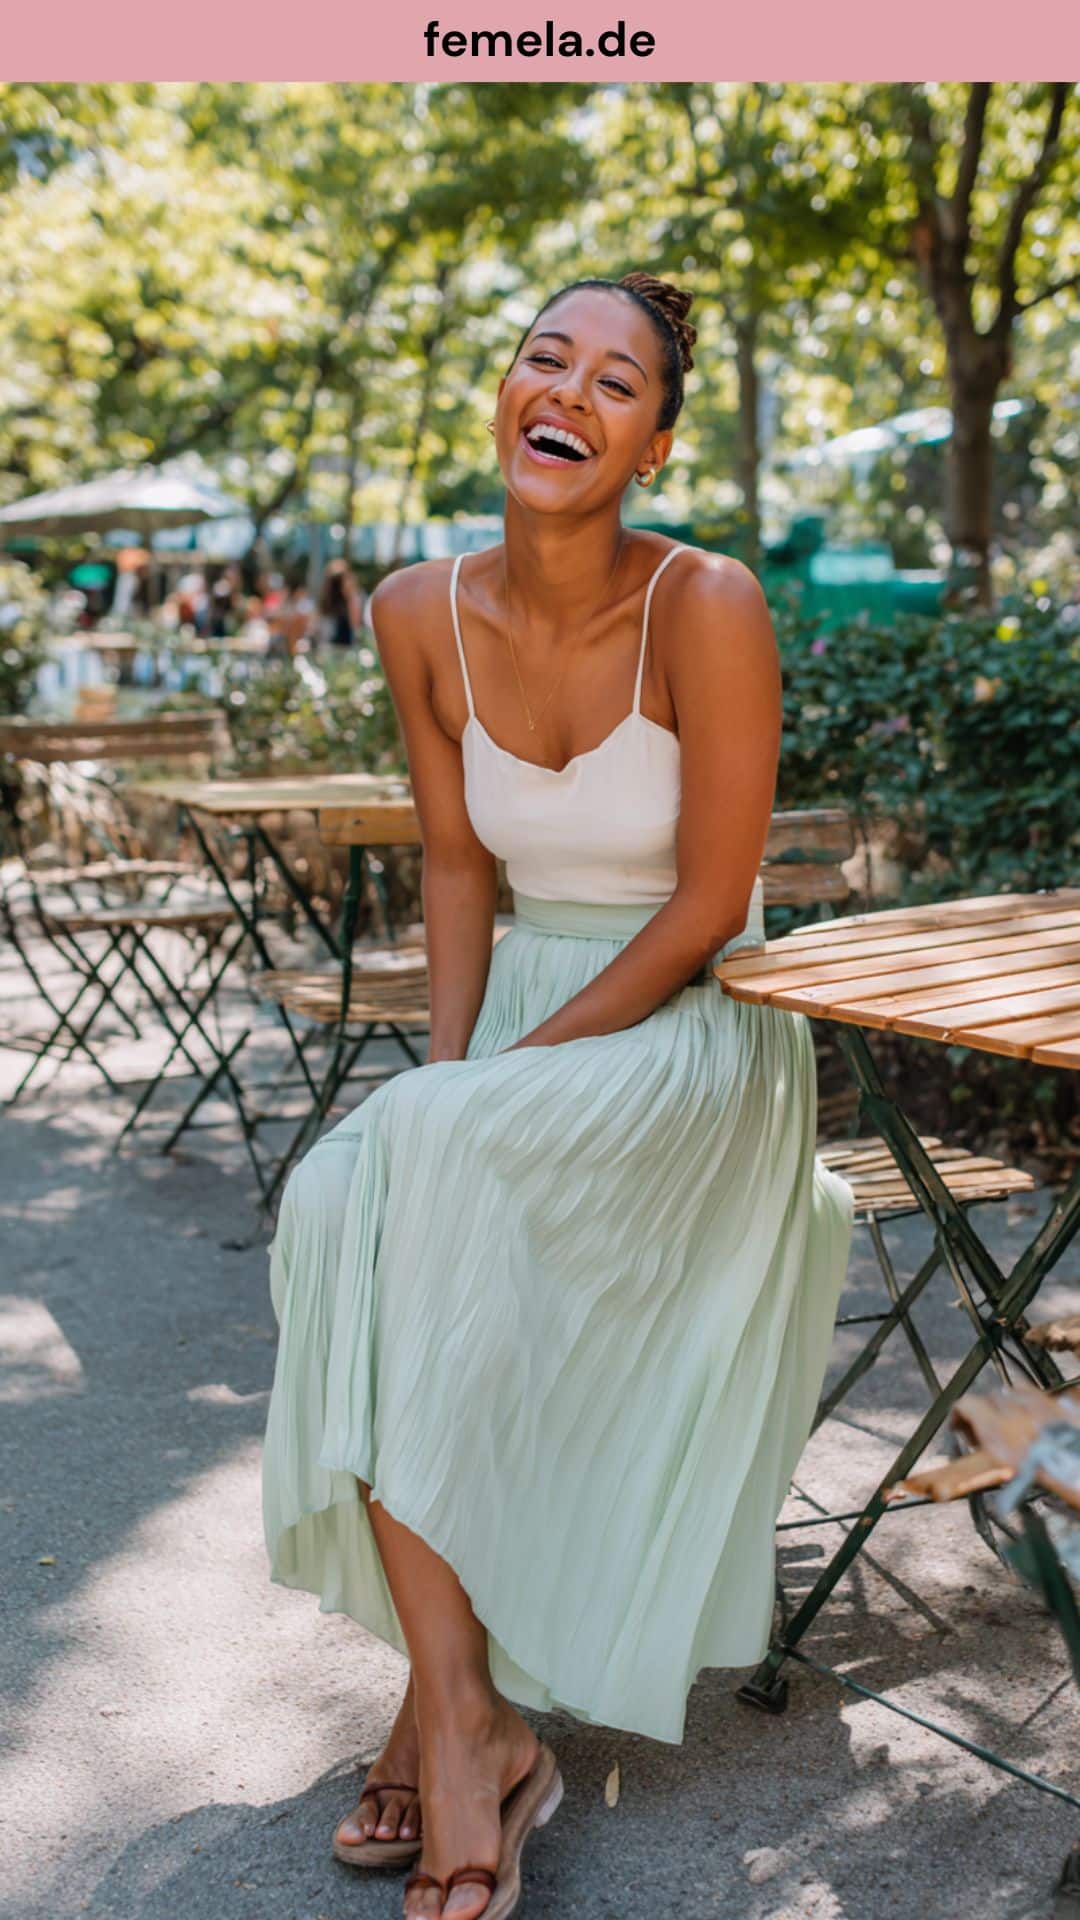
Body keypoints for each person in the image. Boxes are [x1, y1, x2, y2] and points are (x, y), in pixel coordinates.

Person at [262, 271, 855, 1920]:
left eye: (618, 382)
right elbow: (459, 862)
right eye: (548, 361)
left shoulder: (710, 603)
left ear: (655, 441)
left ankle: (441, 1725)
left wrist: (487, 1095)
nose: (572, 394)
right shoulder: (412, 609)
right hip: (521, 1017)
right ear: (503, 394)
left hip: (695, 1025)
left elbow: (703, 902)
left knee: (420, 1169)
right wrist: (448, 1080)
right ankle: (466, 1711)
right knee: (353, 1195)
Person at [315, 556, 366, 648]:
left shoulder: (355, 597)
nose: (336, 584)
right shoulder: (327, 600)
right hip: (328, 647)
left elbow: (355, 625)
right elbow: (319, 625)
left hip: (347, 647)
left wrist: (350, 595)